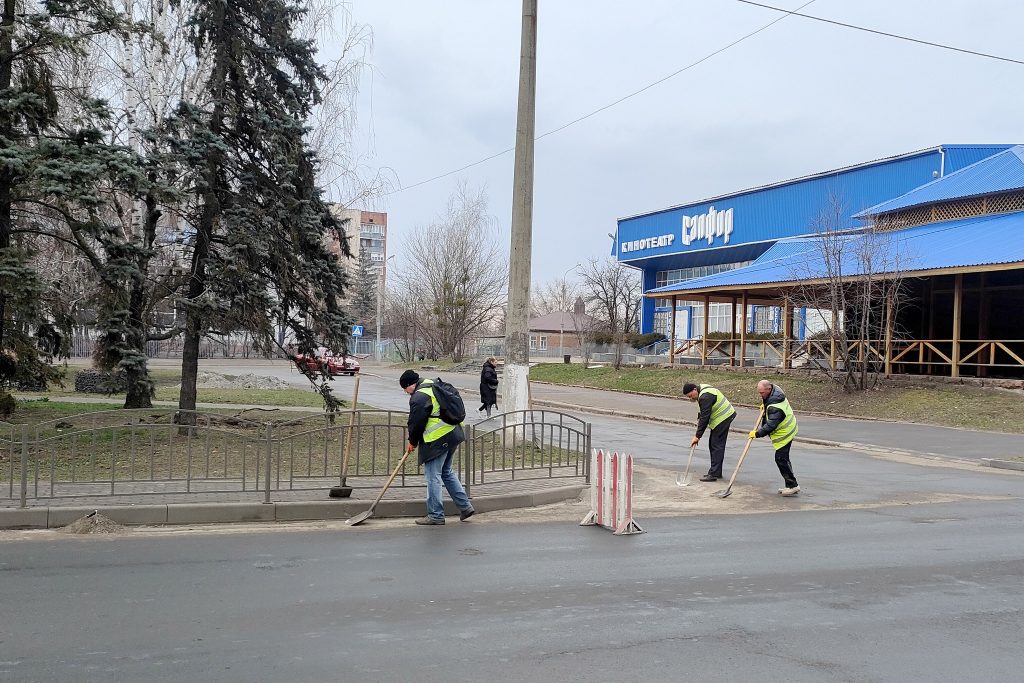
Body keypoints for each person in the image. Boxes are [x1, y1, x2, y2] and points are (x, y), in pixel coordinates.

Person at [399, 369, 475, 525]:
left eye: (405, 389)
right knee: (446, 472)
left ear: (410, 385)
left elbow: (416, 423)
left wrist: (412, 441)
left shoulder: (419, 397)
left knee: (433, 477)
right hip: (453, 433)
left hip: (437, 440)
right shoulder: (432, 383)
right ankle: (465, 507)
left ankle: (436, 515)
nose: (406, 392)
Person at [750, 379, 800, 496]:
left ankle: (793, 485)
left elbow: (771, 425)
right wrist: (765, 405)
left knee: (780, 459)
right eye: (759, 392)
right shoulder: (775, 392)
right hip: (788, 427)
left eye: (762, 393)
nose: (760, 395)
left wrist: (757, 433)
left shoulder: (775, 407)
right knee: (783, 459)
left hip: (785, 432)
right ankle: (790, 484)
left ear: (769, 389)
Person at [682, 382, 737, 481]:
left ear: (694, 390)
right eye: (688, 397)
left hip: (724, 417)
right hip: (723, 417)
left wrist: (697, 436)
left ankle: (714, 474)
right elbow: (703, 412)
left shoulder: (705, 397)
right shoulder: (701, 390)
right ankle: (716, 472)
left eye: (690, 396)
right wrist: (699, 419)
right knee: (713, 444)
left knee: (716, 445)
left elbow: (705, 418)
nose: (690, 398)